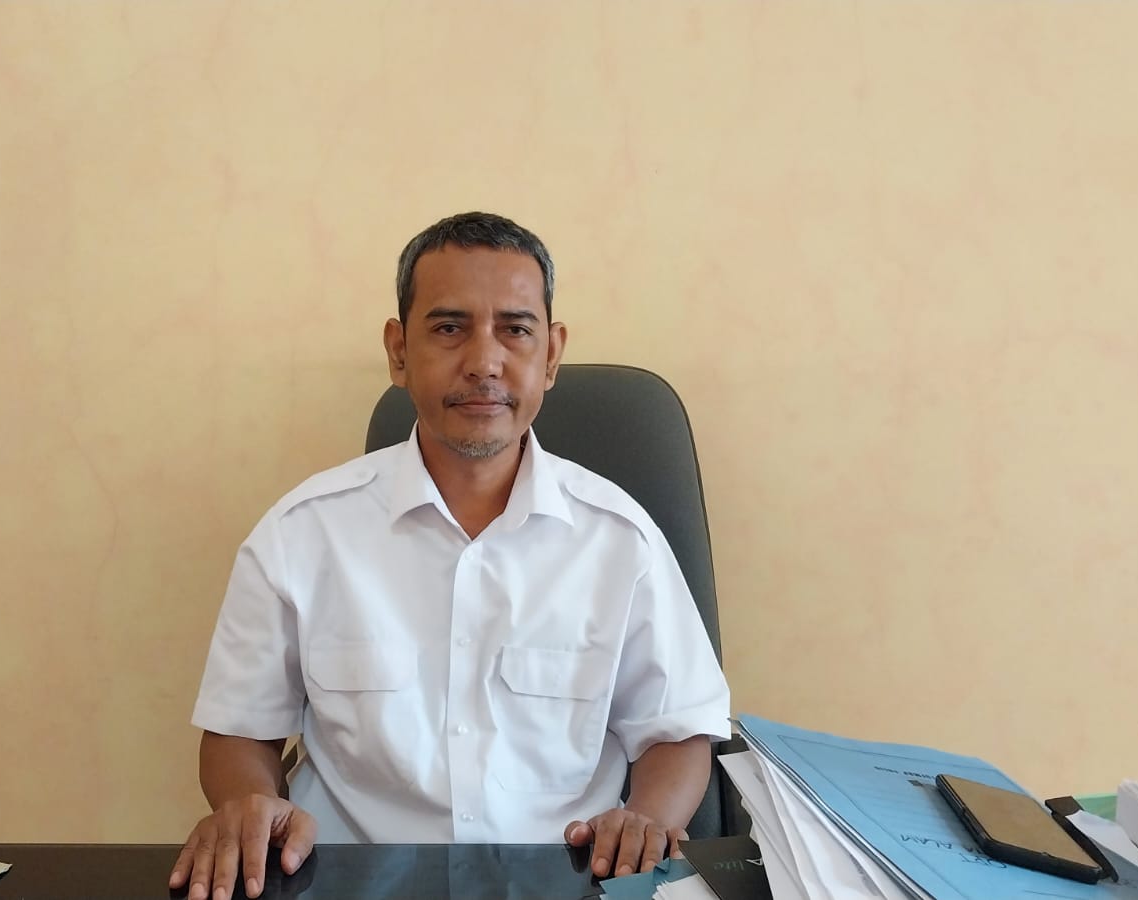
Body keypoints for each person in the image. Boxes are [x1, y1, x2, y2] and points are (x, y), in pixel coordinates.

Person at [170, 212, 731, 900]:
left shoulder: (620, 540)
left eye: (515, 330)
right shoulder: (301, 534)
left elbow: (677, 730)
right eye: (448, 328)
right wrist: (249, 803)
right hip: (348, 882)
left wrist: (647, 818)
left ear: (551, 354)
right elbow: (239, 732)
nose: (484, 362)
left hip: (567, 882)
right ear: (398, 350)